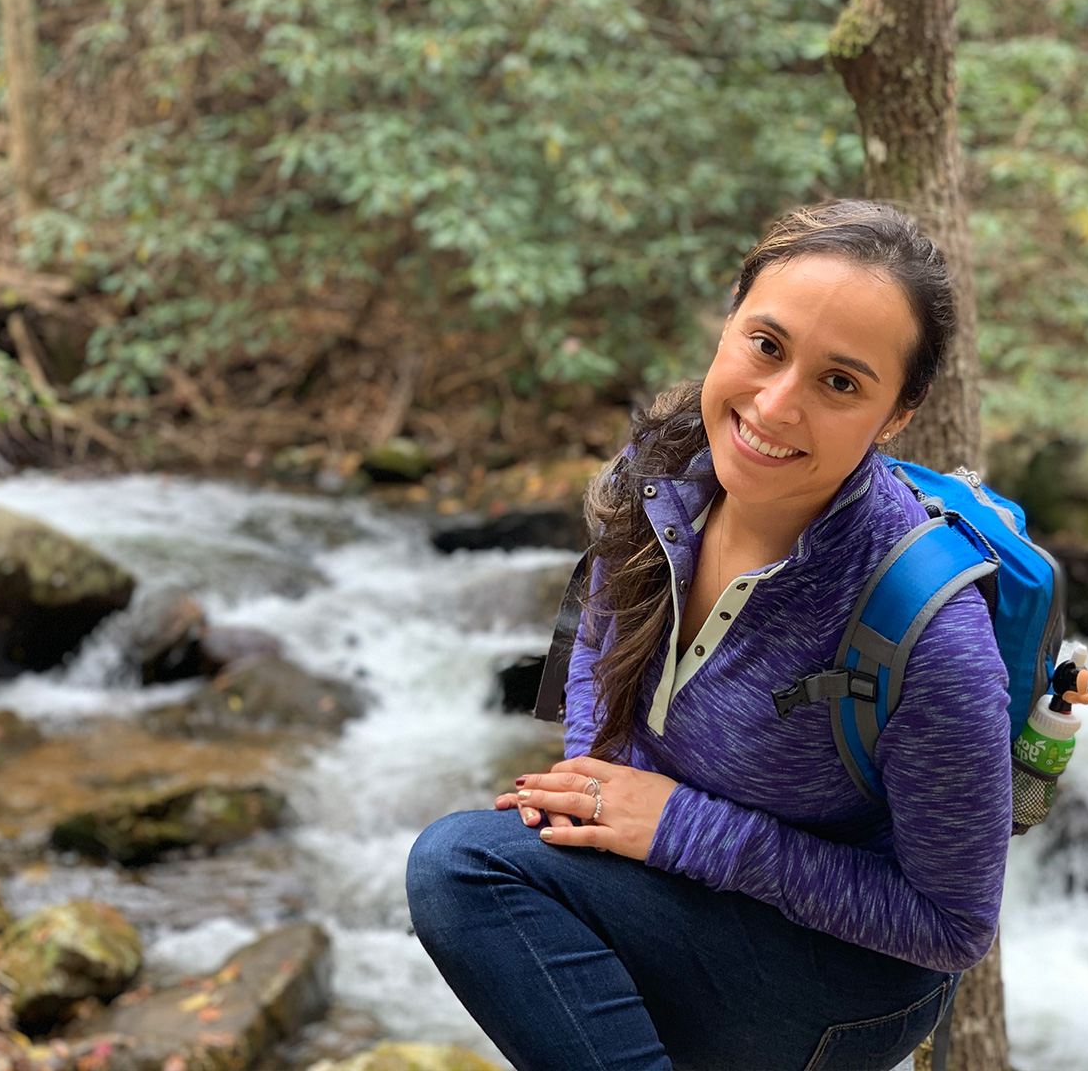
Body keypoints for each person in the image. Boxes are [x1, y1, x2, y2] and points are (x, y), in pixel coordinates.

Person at [406, 199, 1013, 1071]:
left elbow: (952, 929)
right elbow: (597, 657)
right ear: (729, 323)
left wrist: (682, 829)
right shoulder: (655, 476)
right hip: (690, 901)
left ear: (898, 415)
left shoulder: (928, 631)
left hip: (851, 986)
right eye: (766, 346)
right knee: (486, 871)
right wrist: (595, 794)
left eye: (839, 383)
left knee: (462, 867)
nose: (775, 405)